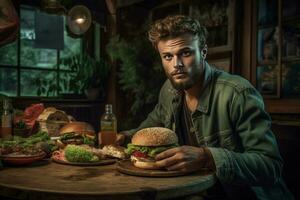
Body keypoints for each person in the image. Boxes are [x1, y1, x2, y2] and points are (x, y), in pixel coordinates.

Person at [116, 15, 294, 199]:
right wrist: (124, 137)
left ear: (203, 52)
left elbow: (270, 166)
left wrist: (207, 157)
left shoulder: (237, 94)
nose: (176, 65)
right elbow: (151, 126)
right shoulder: (169, 90)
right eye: (168, 56)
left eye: (185, 53)